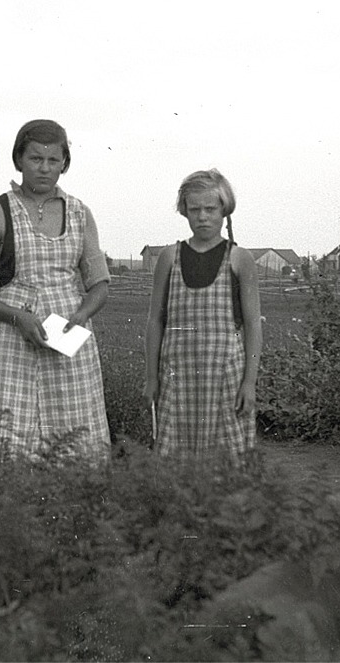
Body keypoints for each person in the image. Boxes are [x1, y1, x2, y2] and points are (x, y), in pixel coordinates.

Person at [0, 119, 111, 463]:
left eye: (53, 160)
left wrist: (83, 314)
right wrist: (18, 318)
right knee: (13, 437)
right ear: (19, 160)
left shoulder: (79, 214)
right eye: (35, 159)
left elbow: (99, 285)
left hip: (68, 339)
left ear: (64, 163)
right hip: (13, 340)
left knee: (76, 438)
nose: (44, 168)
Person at [143, 168, 262, 464]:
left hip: (224, 375)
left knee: (226, 457)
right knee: (175, 457)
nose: (203, 217)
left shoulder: (239, 259)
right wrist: (151, 376)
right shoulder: (170, 257)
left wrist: (249, 382)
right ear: (184, 211)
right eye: (194, 209)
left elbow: (252, 326)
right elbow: (155, 320)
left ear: (224, 209)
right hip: (177, 375)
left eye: (210, 209)